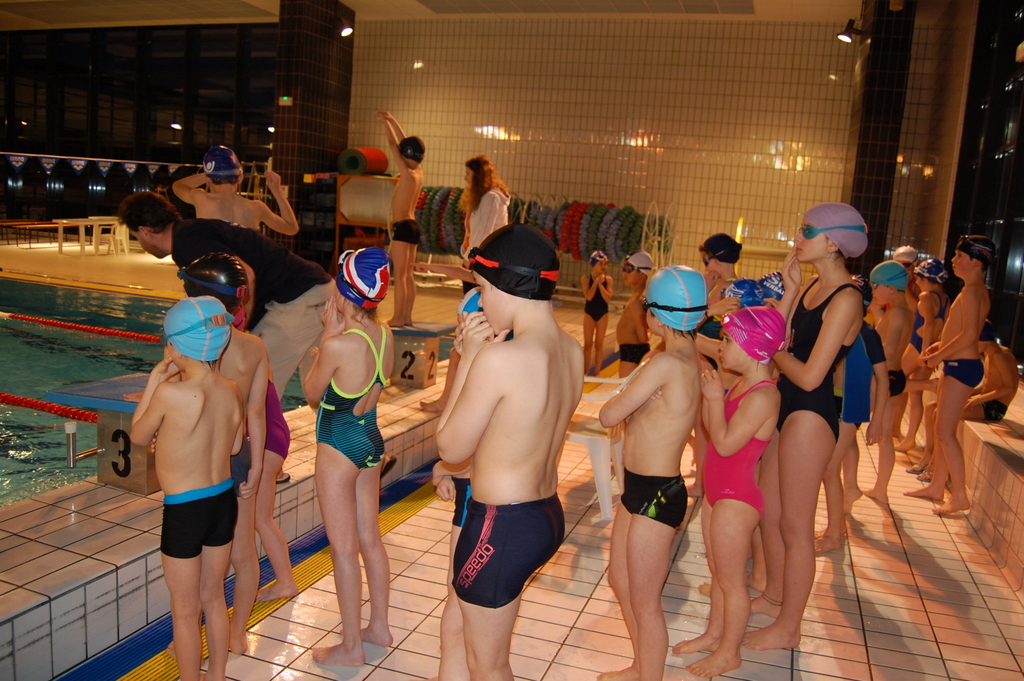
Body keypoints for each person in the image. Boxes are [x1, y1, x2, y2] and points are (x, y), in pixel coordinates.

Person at [435, 224, 583, 681]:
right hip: (543, 515)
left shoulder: (500, 360)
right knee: (471, 643)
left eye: (482, 289)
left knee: (489, 665)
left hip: (499, 525)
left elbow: (451, 447)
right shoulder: (571, 350)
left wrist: (469, 359)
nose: (480, 303)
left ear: (506, 285)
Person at [745, 203, 866, 651]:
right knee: (770, 513)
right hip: (788, 403)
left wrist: (772, 348)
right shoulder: (813, 285)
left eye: (807, 231)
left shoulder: (847, 298)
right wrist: (792, 291)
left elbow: (813, 375)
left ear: (833, 243)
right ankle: (774, 596)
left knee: (797, 527)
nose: (798, 237)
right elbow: (783, 332)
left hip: (811, 413)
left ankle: (789, 626)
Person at [597, 265, 706, 681]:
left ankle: (649, 675)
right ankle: (641, 665)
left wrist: (635, 384)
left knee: (645, 601)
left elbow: (609, 415)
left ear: (656, 314)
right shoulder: (688, 357)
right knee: (620, 580)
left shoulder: (663, 364)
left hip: (657, 494)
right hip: (641, 488)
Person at [119, 191, 334, 396]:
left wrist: (243, 327)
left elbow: (246, 275)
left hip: (296, 297)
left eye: (136, 237)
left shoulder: (190, 243)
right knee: (317, 389)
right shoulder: (191, 232)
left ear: (145, 231)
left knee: (254, 385)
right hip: (317, 290)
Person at [130, 297, 244, 681]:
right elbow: (234, 446)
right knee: (214, 596)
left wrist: (155, 380)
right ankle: (218, 675)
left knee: (184, 609)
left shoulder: (170, 394)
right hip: (223, 501)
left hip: (185, 510)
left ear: (175, 348)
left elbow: (138, 436)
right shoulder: (231, 388)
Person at [177, 254, 299, 610]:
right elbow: (256, 411)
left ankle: (197, 625)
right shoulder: (253, 344)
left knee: (209, 550)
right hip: (249, 448)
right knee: (244, 547)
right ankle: (238, 631)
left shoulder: (194, 345)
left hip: (216, 454)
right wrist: (256, 464)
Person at [673, 306, 785, 679]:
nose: (721, 347)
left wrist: (713, 399)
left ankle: (728, 653)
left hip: (737, 498)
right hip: (719, 494)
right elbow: (712, 430)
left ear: (753, 347)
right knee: (718, 573)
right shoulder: (740, 383)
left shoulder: (763, 396)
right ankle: (714, 634)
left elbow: (723, 444)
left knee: (733, 582)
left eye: (727, 340)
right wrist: (713, 399)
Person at [302, 247, 395, 667]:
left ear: (343, 292)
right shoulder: (386, 334)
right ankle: (379, 627)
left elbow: (311, 394)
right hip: (370, 440)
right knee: (370, 538)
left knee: (342, 549)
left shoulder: (339, 345)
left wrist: (326, 338)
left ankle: (352, 646)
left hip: (338, 446)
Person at [907, 236, 996, 514]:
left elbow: (970, 335)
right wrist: (941, 347)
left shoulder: (972, 292)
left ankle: (959, 495)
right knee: (941, 426)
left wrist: (938, 355)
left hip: (962, 367)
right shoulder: (975, 290)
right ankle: (937, 485)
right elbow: (962, 332)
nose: (954, 261)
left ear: (976, 261)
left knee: (945, 432)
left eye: (960, 256)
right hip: (957, 364)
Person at [815, 276, 887, 553]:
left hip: (851, 407)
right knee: (828, 466)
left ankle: (835, 533)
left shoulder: (867, 334)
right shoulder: (836, 328)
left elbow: (883, 379)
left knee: (829, 469)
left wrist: (877, 420)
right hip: (831, 400)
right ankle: (836, 526)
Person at [862, 260, 912, 506]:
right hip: (895, 376)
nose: (873, 291)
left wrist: (862, 352)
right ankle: (880, 489)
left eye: (875, 286)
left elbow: (890, 348)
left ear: (891, 288)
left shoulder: (898, 314)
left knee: (850, 425)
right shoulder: (901, 311)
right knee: (885, 439)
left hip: (885, 378)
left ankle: (848, 483)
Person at [172, 146, 299, 235]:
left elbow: (178, 185)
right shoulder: (256, 207)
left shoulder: (201, 198)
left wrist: (211, 173)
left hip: (214, 264)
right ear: (240, 178)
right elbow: (291, 228)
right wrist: (277, 191)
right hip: (245, 265)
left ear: (208, 180)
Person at [895, 258, 949, 453]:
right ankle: (910, 438)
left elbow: (928, 324)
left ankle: (930, 385)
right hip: (931, 346)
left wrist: (924, 352)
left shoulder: (926, 296)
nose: (916, 281)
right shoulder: (945, 299)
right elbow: (942, 326)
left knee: (894, 380)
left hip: (919, 345)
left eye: (918, 277)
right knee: (915, 394)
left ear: (926, 279)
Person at [377, 111, 424, 328]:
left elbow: (393, 144)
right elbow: (404, 144)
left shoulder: (406, 172)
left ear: (406, 155)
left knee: (400, 276)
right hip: (413, 226)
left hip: (403, 227)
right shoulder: (418, 171)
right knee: (409, 275)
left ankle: (398, 317)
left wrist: (386, 123)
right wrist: (392, 119)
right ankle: (407, 317)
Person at [431, 458, 472, 681]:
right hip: (476, 493)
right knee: (458, 585)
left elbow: (479, 455)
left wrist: (441, 469)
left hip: (477, 499)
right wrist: (449, 473)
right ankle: (457, 665)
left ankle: (456, 670)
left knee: (459, 589)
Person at [460, 155, 510, 292]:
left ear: (478, 176)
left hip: (482, 259)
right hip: (479, 256)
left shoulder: (491, 198)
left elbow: (484, 231)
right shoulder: (484, 197)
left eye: (468, 174)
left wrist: (470, 258)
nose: (465, 178)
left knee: (476, 299)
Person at [616, 250, 654, 377]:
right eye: (624, 268)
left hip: (633, 352)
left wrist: (651, 330)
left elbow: (643, 338)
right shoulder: (638, 296)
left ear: (642, 273)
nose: (624, 273)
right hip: (631, 350)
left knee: (625, 388)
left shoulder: (638, 301)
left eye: (628, 269)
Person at [582, 250, 614, 376]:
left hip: (602, 314)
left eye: (605, 264)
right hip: (589, 313)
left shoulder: (608, 280)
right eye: (600, 264)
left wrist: (601, 285)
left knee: (599, 345)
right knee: (588, 344)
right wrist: (595, 283)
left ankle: (597, 372)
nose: (603, 267)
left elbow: (607, 298)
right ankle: (585, 371)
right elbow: (589, 297)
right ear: (593, 264)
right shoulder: (586, 278)